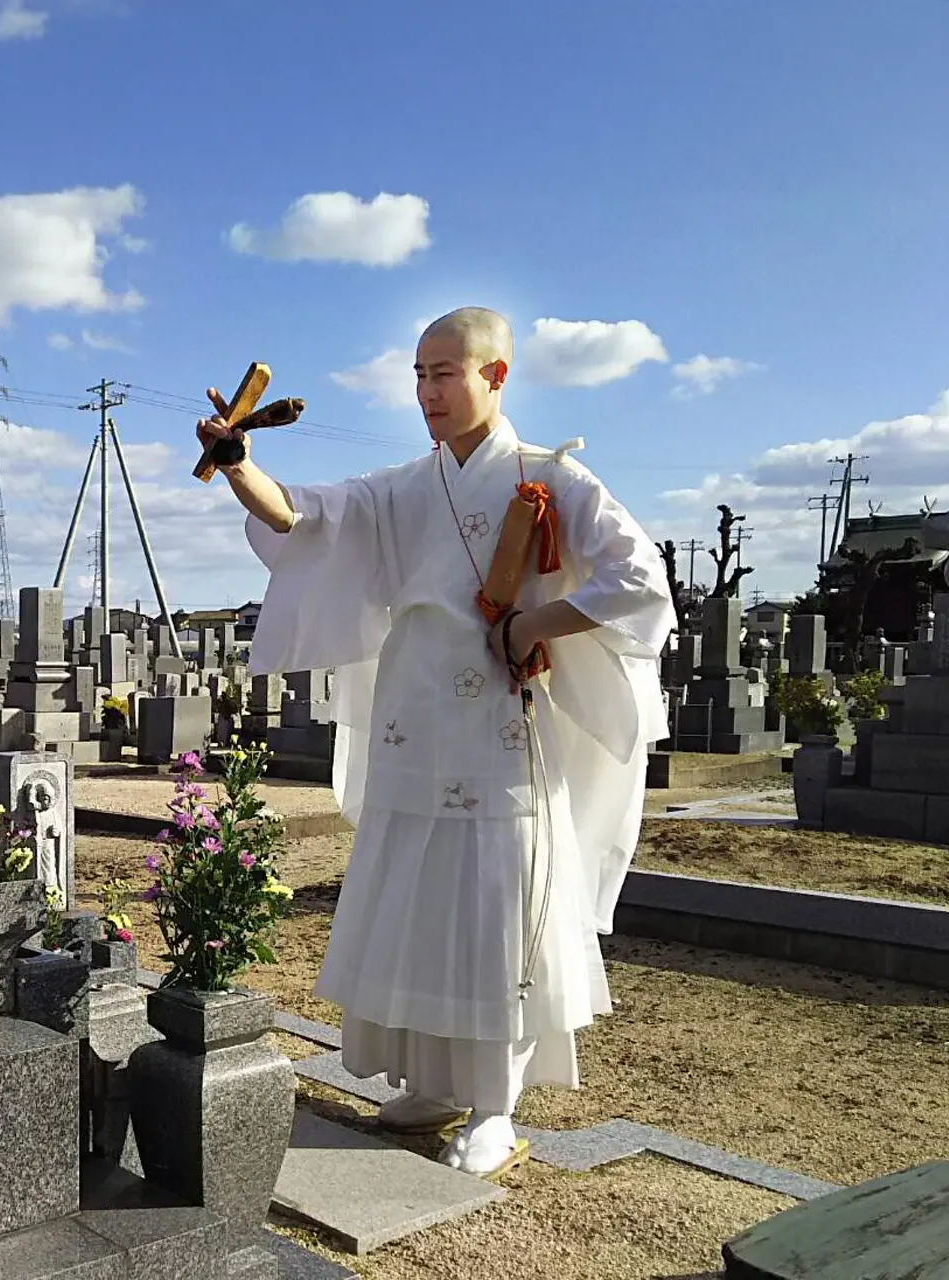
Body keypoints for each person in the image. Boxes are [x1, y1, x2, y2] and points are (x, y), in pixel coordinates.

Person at [196, 307, 675, 1179]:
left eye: (445, 373)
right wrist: (239, 465)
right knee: (419, 901)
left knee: (493, 907)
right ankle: (430, 1081)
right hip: (415, 718)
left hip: (499, 727)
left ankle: (495, 1104)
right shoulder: (402, 487)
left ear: (495, 375)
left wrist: (538, 617)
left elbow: (639, 579)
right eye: (419, 375)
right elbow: (304, 522)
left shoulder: (552, 479)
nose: (427, 392)